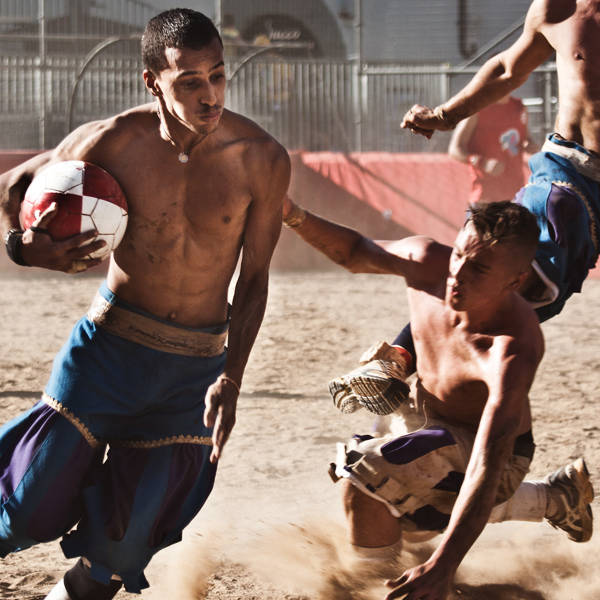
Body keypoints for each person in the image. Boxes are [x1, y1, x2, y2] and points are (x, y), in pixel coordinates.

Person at [0, 8, 290, 599]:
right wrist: (23, 249)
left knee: (121, 549)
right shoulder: (110, 141)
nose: (210, 96)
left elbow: (254, 279)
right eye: (190, 81)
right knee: (27, 506)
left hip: (193, 376)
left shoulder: (260, 157)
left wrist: (232, 378)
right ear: (152, 81)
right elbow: (14, 186)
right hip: (106, 355)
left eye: (218, 75)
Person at [282, 197, 593, 600]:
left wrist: (443, 566)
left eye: (479, 268)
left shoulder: (511, 348)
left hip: (491, 452)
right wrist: (291, 214)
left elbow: (488, 464)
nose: (457, 274)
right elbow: (356, 252)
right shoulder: (430, 262)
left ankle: (377, 589)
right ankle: (553, 498)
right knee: (369, 491)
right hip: (424, 420)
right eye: (459, 254)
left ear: (515, 282)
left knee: (367, 474)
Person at [401, 0, 600, 323]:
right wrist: (444, 115)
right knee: (514, 270)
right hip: (569, 169)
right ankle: (406, 349)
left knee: (541, 293)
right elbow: (508, 69)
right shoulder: (559, 8)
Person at [448, 94, 532, 204]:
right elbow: (454, 149)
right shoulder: (477, 108)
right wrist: (482, 162)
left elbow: (526, 139)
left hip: (515, 194)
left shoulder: (519, 106)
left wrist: (530, 145)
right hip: (484, 197)